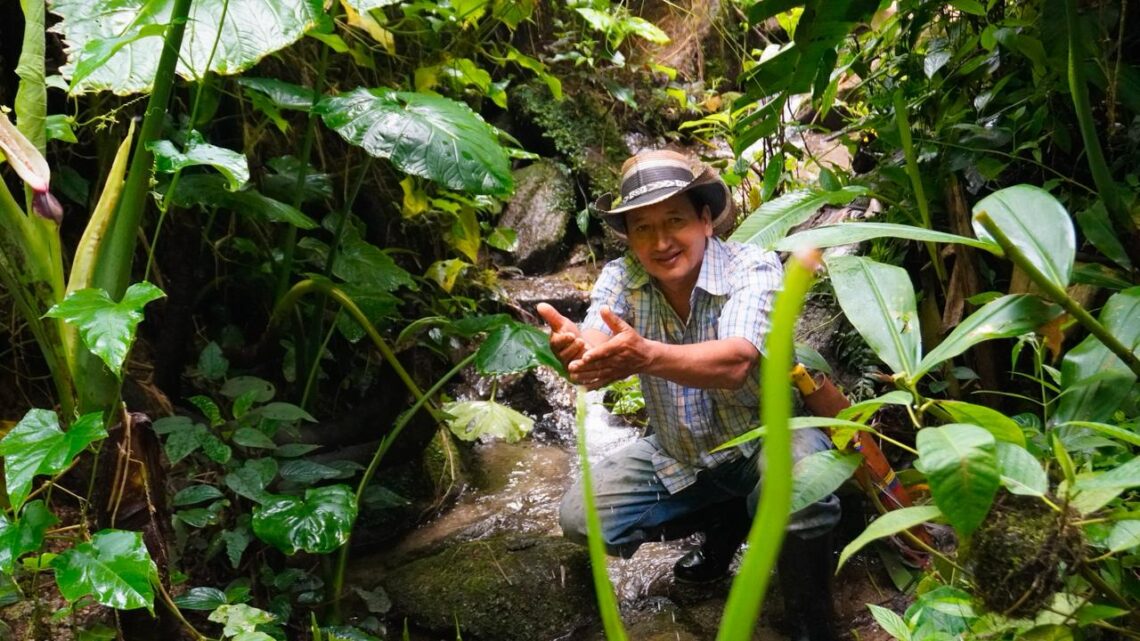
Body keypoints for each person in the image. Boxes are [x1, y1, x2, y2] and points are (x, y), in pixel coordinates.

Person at [535, 149, 841, 641]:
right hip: (682, 453)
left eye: (674, 220)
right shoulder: (622, 277)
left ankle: (812, 623)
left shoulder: (753, 266)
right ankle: (728, 522)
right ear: (630, 239)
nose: (660, 241)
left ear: (705, 221)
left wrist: (647, 355)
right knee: (581, 519)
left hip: (766, 441)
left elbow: (737, 362)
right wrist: (577, 350)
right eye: (642, 228)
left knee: (798, 494)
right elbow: (599, 339)